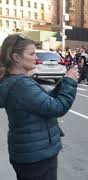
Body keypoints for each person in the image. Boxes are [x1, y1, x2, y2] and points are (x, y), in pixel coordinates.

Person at [0, 34, 78, 180]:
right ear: (16, 58)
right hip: (36, 156)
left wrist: (63, 82)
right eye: (31, 53)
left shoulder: (16, 81)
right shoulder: (21, 84)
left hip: (30, 153)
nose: (36, 56)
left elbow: (44, 102)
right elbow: (57, 108)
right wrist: (70, 83)